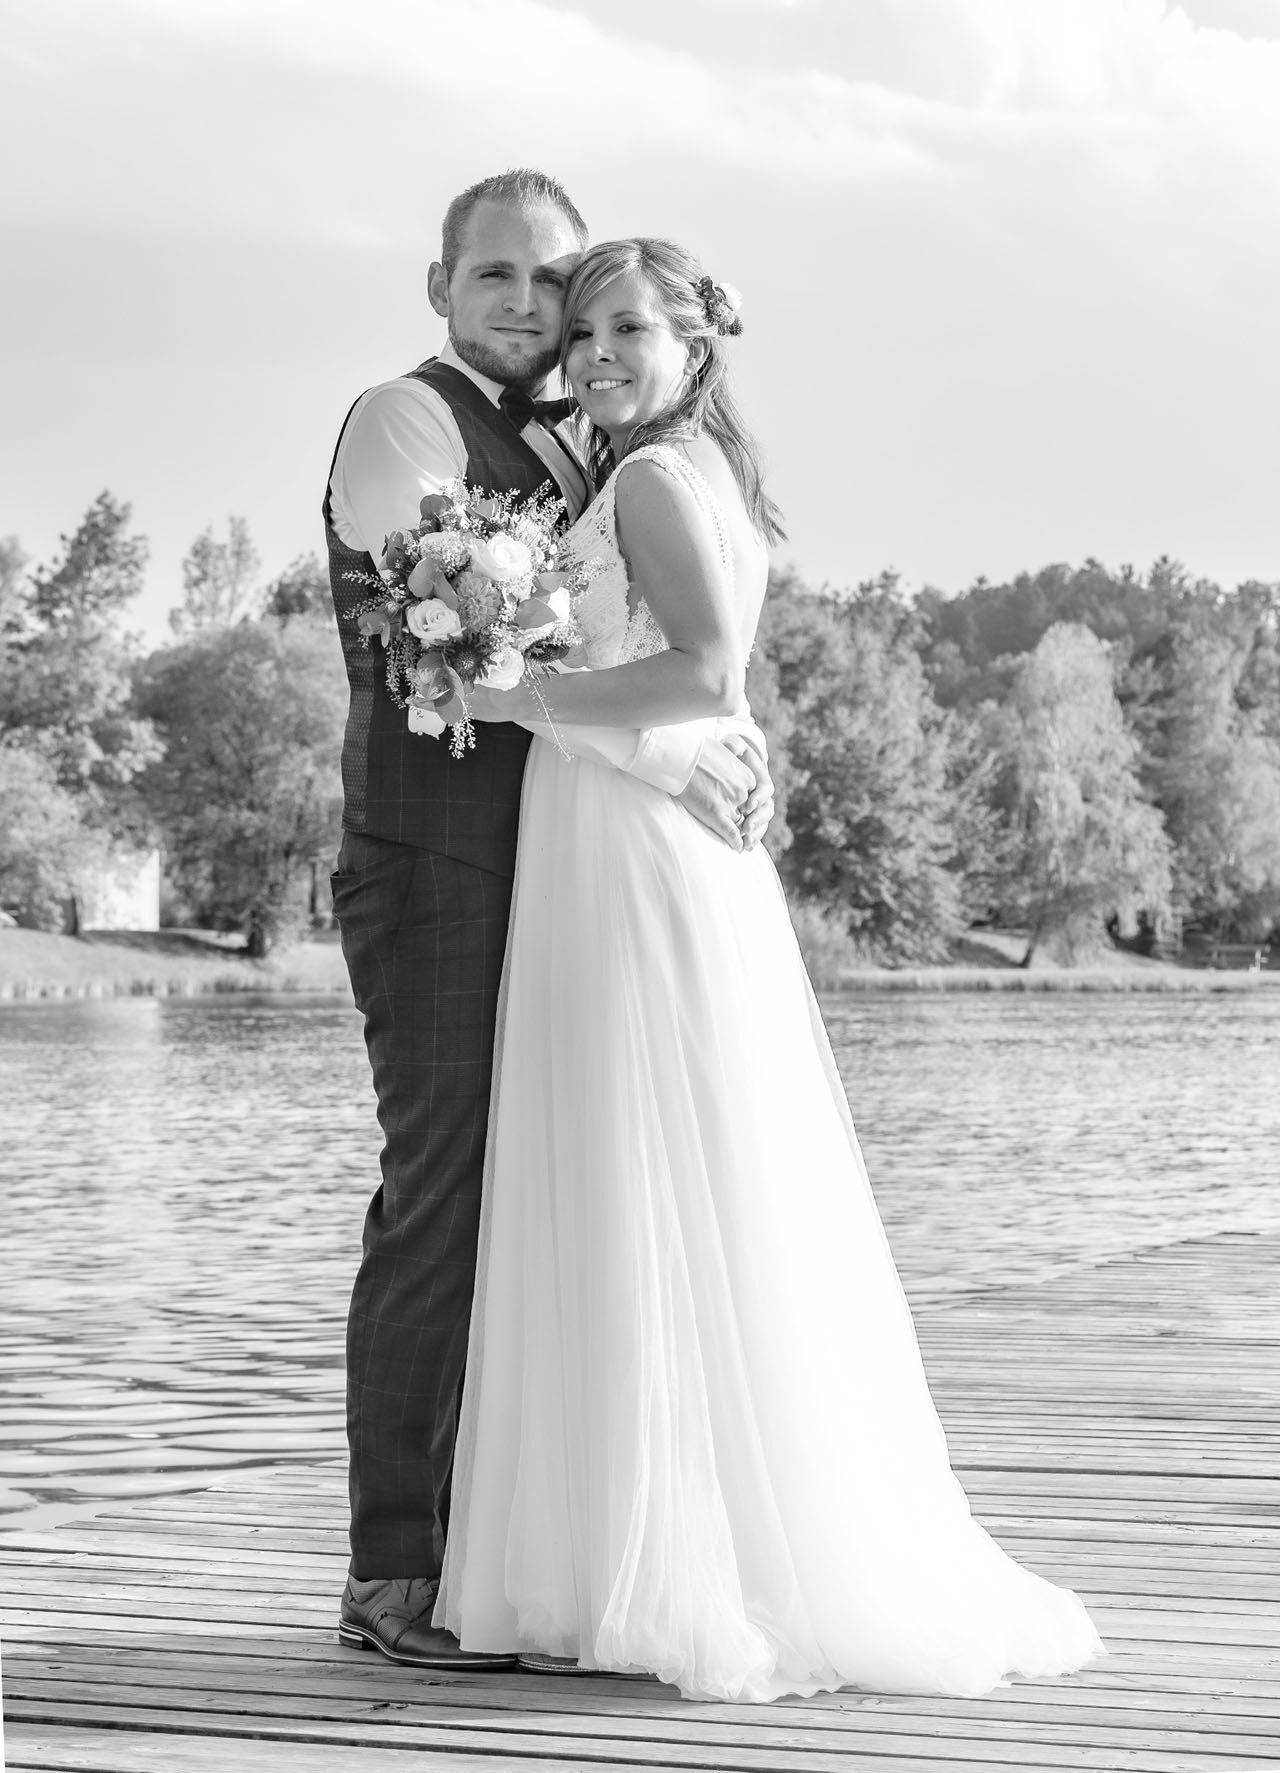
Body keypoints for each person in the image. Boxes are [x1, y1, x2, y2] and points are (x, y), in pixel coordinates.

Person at [432, 237, 1107, 1701]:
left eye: (627, 328)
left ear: (693, 345)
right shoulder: (677, 472)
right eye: (582, 333)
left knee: (638, 1160)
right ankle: (655, 1548)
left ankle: (663, 1569)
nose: (596, 355)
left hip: (628, 842)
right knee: (664, 1164)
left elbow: (704, 672)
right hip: (629, 826)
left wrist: (518, 685)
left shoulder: (654, 480)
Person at [325, 174, 775, 1671]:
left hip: (568, 869)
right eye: (498, 276)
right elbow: (445, 661)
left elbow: (657, 637)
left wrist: (722, 737)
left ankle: (536, 1549)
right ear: (440, 284)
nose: (534, 310)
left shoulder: (585, 445)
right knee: (446, 1197)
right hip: (435, 865)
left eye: (558, 286)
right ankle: (396, 1569)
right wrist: (678, 754)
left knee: (563, 1194)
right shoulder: (406, 424)